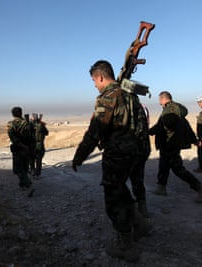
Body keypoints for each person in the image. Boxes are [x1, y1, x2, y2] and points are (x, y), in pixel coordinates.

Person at [72, 60, 150, 262]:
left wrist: (80, 155)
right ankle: (140, 223)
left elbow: (95, 132)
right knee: (121, 189)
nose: (95, 85)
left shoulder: (108, 97)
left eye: (94, 81)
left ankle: (126, 245)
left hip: (117, 154)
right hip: (134, 151)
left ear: (100, 77)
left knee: (113, 200)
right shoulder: (129, 94)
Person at [148, 91, 202, 203]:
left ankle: (201, 189)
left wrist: (149, 131)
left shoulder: (170, 109)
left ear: (163, 99)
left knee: (178, 169)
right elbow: (185, 124)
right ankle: (161, 188)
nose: (159, 103)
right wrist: (194, 140)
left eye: (160, 100)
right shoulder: (176, 109)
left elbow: (164, 126)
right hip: (168, 144)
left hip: (170, 144)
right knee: (163, 165)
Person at [129, 103, 151, 218]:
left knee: (117, 183)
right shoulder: (143, 106)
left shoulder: (121, 104)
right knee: (137, 179)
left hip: (130, 150)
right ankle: (142, 206)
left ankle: (134, 213)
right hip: (142, 148)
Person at [8, 106, 34, 197]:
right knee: (25, 167)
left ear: (12, 114)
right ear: (21, 113)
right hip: (27, 149)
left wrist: (20, 144)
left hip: (18, 149)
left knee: (18, 168)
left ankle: (28, 184)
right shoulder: (27, 123)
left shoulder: (11, 124)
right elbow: (31, 137)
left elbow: (12, 137)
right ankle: (22, 184)